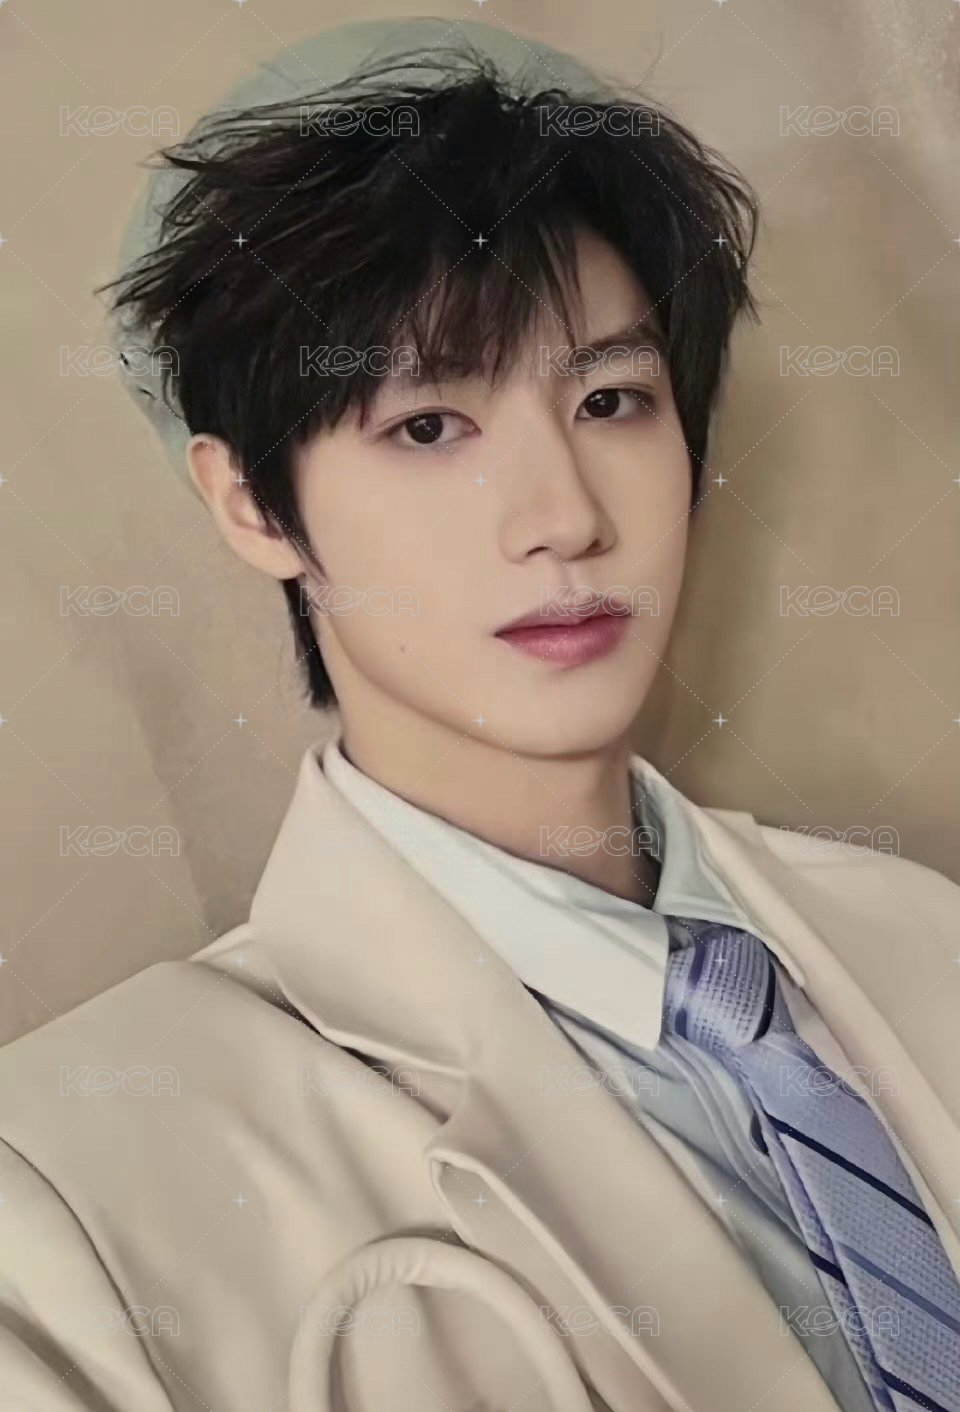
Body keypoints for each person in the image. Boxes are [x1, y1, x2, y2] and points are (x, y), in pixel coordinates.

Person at [2, 17, 959, 1412]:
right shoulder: (63, 1191)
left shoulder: (924, 936)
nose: (563, 516)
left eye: (613, 400)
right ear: (252, 502)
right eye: (428, 426)